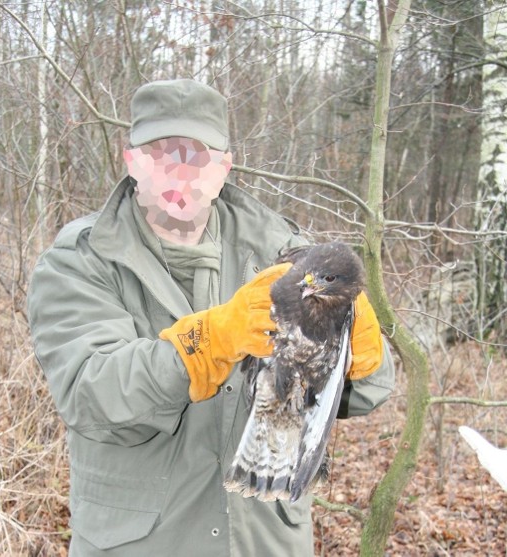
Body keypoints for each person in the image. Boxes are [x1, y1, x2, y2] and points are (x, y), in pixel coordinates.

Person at [27, 79, 395, 556]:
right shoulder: (81, 261)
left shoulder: (284, 254)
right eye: (161, 152)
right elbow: (93, 392)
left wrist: (358, 354)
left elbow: (362, 395)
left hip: (263, 542)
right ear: (132, 160)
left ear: (224, 167)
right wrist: (207, 343)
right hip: (141, 545)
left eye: (197, 155)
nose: (179, 171)